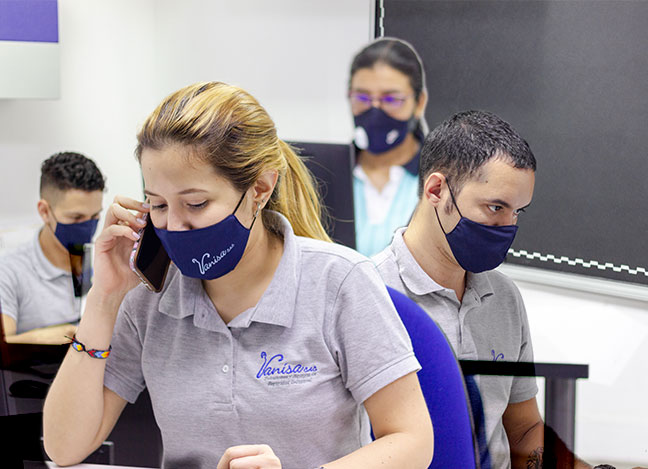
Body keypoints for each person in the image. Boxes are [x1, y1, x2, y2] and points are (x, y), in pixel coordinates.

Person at [43, 82, 433, 468]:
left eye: (196, 203)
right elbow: (63, 448)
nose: (174, 226)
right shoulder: (150, 294)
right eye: (157, 204)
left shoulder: (339, 282)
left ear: (260, 189)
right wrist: (104, 297)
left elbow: (412, 440)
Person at [373, 110, 593, 468]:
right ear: (436, 190)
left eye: (518, 212)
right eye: (495, 207)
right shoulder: (370, 294)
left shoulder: (504, 299)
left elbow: (522, 429)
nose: (507, 227)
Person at [0, 151, 105, 344]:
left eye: (94, 216)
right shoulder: (9, 272)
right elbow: (4, 344)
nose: (87, 227)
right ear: (45, 211)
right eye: (76, 218)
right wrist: (41, 338)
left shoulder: (101, 260)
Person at [349, 37, 428, 257]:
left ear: (419, 103)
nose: (375, 111)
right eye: (362, 97)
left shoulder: (441, 178)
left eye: (391, 99)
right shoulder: (327, 174)